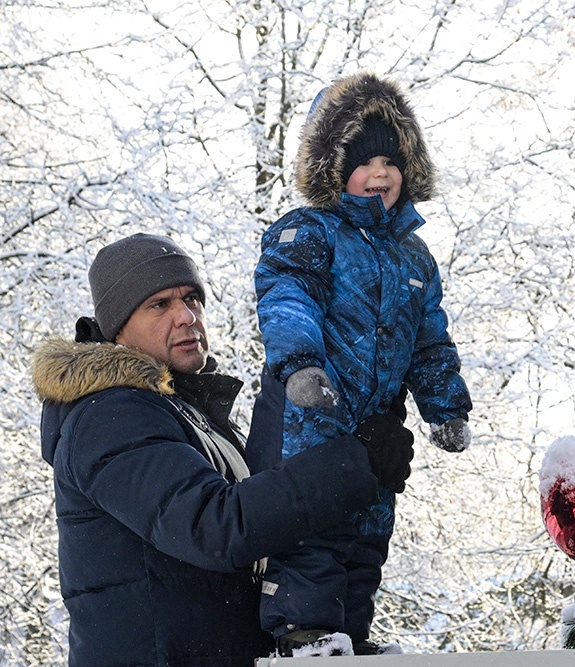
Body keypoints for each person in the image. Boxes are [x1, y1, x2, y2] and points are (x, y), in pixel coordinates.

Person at [32, 232, 414, 667]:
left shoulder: (185, 413)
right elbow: (213, 527)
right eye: (160, 305)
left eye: (192, 299)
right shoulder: (109, 415)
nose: (186, 317)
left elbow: (262, 518)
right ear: (118, 326)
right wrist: (355, 463)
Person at [254, 72, 474, 655]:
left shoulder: (415, 258)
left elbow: (430, 339)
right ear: (332, 169)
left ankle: (351, 634)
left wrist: (445, 405)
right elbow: (287, 297)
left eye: (392, 161)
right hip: (312, 423)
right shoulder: (311, 233)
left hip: (378, 429)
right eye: (364, 161)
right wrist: (300, 364)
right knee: (313, 535)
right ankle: (303, 633)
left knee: (367, 536)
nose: (381, 174)